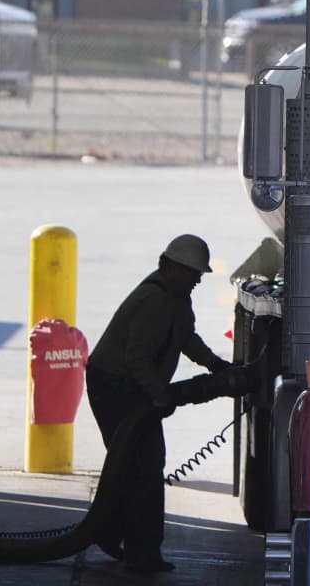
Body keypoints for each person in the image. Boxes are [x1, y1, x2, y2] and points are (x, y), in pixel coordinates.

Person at [85, 234, 232, 573]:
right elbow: (136, 358)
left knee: (139, 464)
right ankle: (139, 550)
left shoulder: (177, 298)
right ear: (172, 268)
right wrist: (159, 395)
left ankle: (116, 534)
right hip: (114, 385)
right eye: (193, 273)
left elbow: (186, 338)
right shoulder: (155, 299)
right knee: (143, 466)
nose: (198, 280)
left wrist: (216, 366)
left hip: (129, 385)